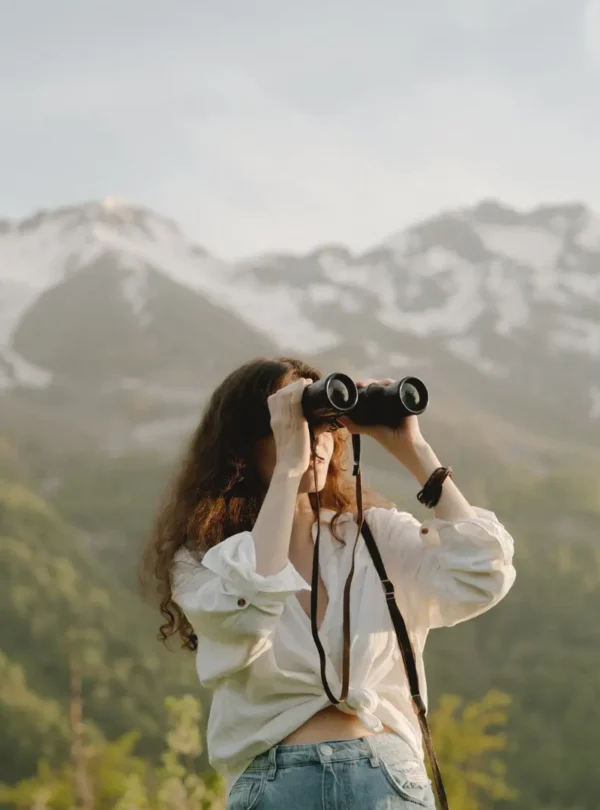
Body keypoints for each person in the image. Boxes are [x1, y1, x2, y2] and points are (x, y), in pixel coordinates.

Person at [142, 357, 516, 809]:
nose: (317, 439)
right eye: (299, 421)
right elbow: (246, 615)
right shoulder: (204, 561)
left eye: (324, 423)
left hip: (387, 780)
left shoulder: (372, 537)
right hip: (275, 787)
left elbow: (484, 571)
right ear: (246, 438)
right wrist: (287, 471)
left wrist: (414, 450)